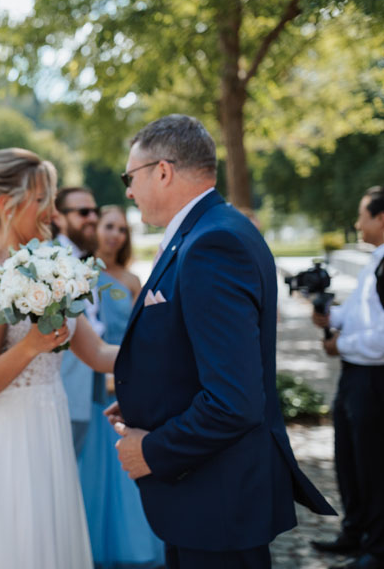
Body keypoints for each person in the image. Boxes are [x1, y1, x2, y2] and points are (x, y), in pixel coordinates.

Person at [73, 114, 335, 569]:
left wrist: (150, 450)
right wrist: (145, 402)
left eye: (129, 177)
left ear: (162, 170)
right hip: (208, 495)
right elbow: (192, 353)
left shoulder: (212, 243)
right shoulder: (211, 229)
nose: (129, 192)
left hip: (217, 498)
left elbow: (234, 400)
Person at [0, 147, 100, 569]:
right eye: (42, 199)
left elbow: (99, 353)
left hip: (50, 427)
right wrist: (29, 347)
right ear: (7, 204)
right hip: (8, 440)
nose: (52, 211)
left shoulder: (54, 266)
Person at [77, 206, 165, 569]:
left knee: (125, 475)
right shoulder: (79, 276)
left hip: (126, 384)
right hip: (91, 385)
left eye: (121, 229)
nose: (114, 235)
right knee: (94, 476)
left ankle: (133, 550)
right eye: (107, 227)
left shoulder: (130, 281)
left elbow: (146, 338)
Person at [311, 186, 384, 569]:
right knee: (349, 459)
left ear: (382, 218)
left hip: (374, 380)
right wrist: (330, 317)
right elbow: (361, 317)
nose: (358, 223)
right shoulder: (374, 261)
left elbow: (382, 338)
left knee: (372, 464)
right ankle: (355, 533)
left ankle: (377, 547)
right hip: (355, 377)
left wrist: (342, 345)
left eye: (363, 215)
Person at [54, 187, 104, 455]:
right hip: (66, 389)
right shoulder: (52, 261)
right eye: (83, 212)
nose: (92, 218)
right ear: (59, 217)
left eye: (95, 212)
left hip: (89, 390)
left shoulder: (83, 259)